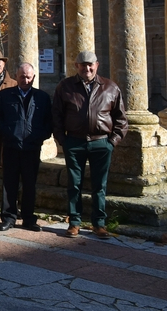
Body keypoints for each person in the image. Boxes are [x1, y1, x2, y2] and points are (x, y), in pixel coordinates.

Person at [52, 51, 127, 239]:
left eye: (90, 65)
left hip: (101, 142)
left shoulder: (110, 87)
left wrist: (112, 141)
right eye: (83, 65)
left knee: (99, 185)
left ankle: (99, 223)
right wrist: (63, 140)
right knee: (74, 184)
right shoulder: (65, 87)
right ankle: (74, 222)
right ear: (76, 66)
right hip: (74, 142)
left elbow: (121, 119)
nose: (87, 68)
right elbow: (56, 116)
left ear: (97, 65)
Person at [0, 63, 52, 232]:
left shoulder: (42, 97)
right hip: (11, 146)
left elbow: (48, 123)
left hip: (32, 148)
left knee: (29, 185)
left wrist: (37, 138)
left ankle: (28, 218)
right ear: (16, 76)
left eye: (28, 77)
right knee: (9, 184)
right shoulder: (5, 96)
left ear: (33, 78)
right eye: (22, 76)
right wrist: (9, 135)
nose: (25, 80)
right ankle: (8, 217)